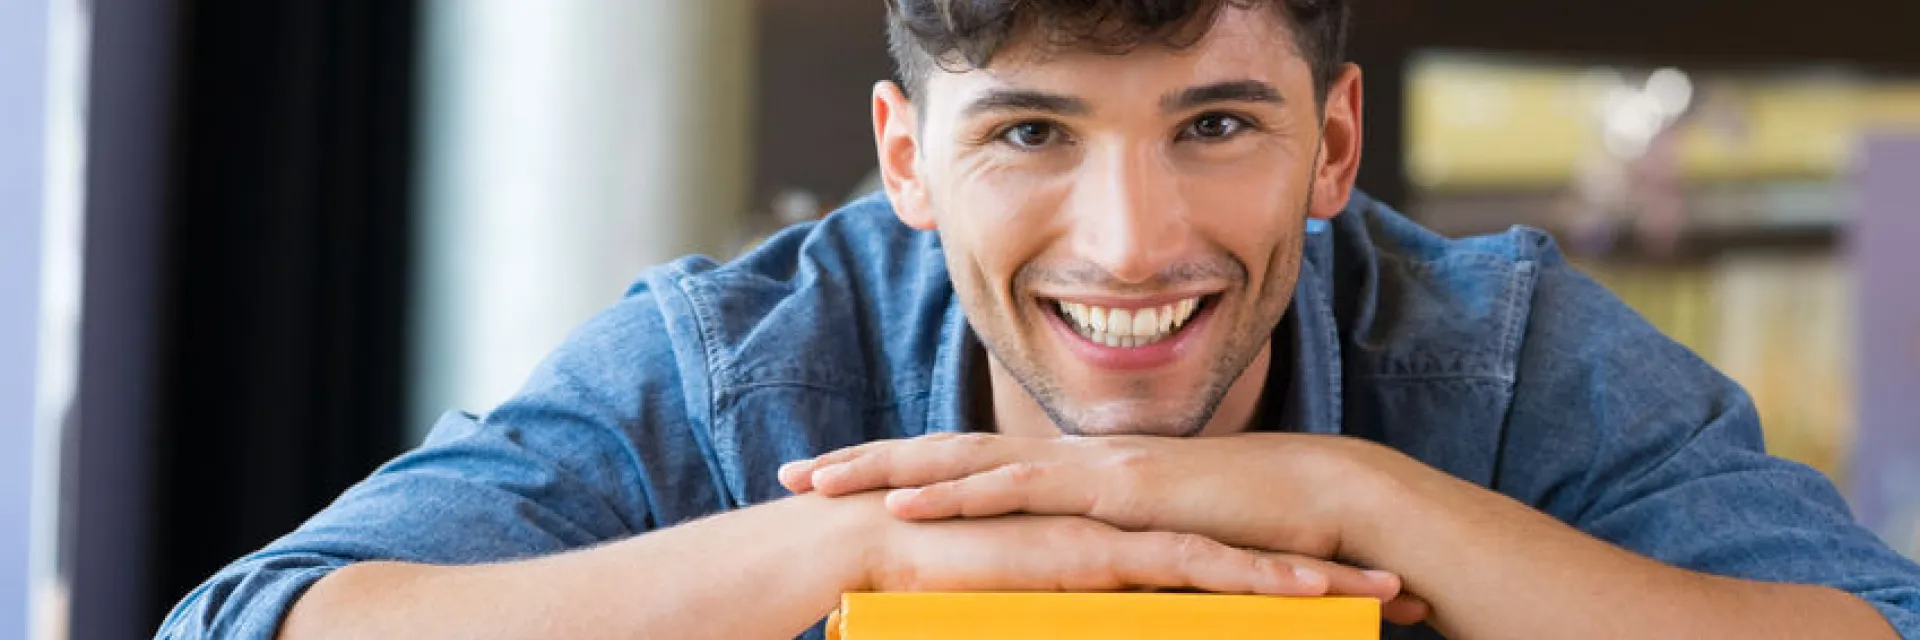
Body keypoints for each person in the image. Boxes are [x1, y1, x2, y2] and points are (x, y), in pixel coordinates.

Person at [160, 1, 1920, 638]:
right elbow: (257, 626)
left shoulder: (1495, 350)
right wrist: (870, 552)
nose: (1130, 243)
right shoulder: (753, 359)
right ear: (906, 159)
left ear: (1335, 144)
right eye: (1028, 134)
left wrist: (1358, 500)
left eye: (1215, 124)